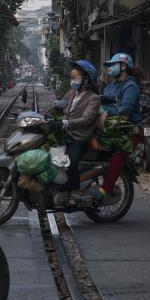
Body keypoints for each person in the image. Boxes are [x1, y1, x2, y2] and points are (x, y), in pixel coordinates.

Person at [90, 52, 143, 202]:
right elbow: (104, 100)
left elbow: (125, 109)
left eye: (112, 65)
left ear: (123, 66)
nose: (109, 69)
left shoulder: (131, 86)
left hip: (129, 130)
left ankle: (105, 189)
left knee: (118, 155)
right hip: (111, 129)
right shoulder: (111, 85)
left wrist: (105, 111)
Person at [49, 60, 100, 198]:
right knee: (48, 155)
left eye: (75, 78)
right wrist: (49, 113)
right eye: (71, 78)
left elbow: (87, 119)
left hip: (79, 138)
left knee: (69, 162)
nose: (72, 81)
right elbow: (58, 108)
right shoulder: (70, 94)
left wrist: (65, 123)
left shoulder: (93, 98)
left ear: (86, 79)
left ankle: (75, 190)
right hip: (64, 135)